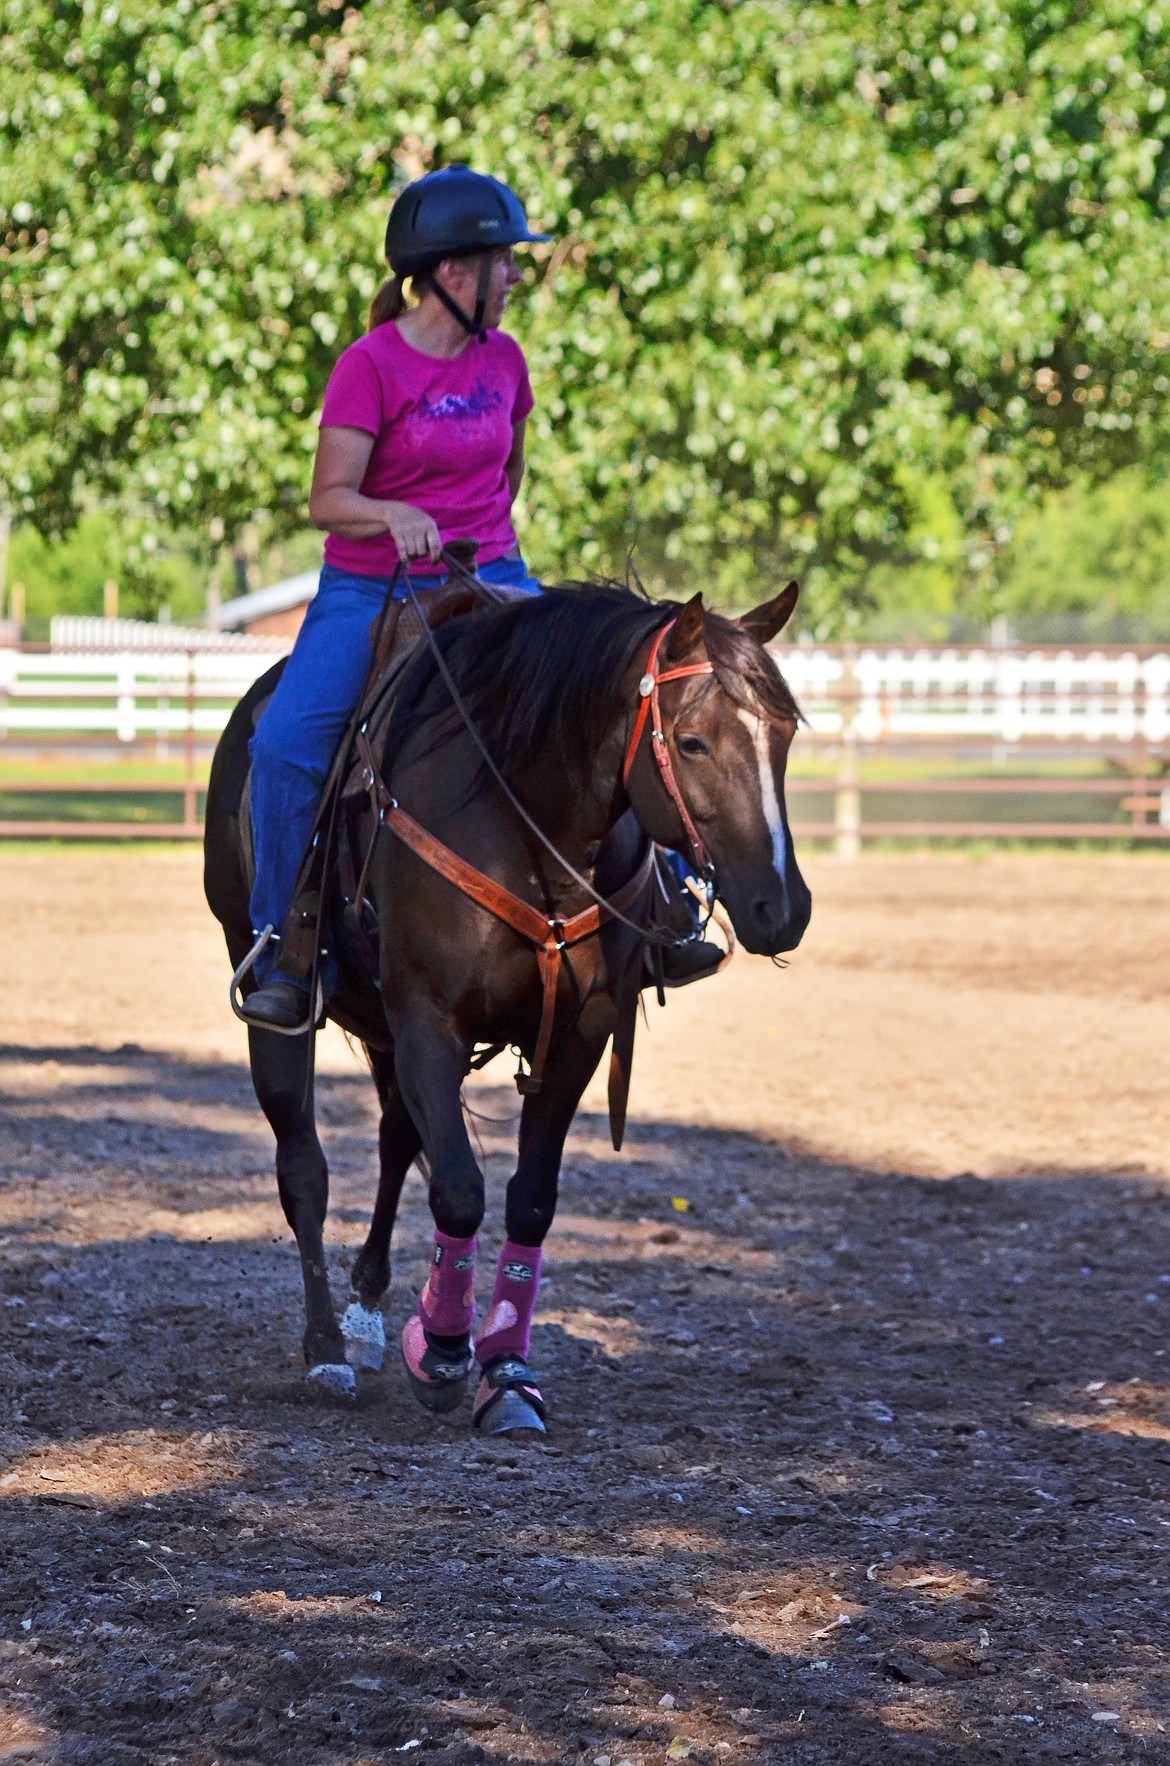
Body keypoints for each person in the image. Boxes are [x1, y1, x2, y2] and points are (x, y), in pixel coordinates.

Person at [241, 163, 720, 1031]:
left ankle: (671, 909)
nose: (513, 278)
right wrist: (393, 514)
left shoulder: (506, 362)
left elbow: (510, 469)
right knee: (283, 745)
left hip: (495, 578)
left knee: (617, 700)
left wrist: (483, 540)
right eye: (503, 262)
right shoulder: (369, 365)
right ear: (453, 272)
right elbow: (327, 499)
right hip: (371, 586)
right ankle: (281, 944)